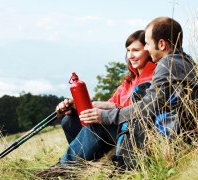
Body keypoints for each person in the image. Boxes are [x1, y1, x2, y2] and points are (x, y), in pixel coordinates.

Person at [77, 17, 198, 169]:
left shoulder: (167, 65)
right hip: (181, 134)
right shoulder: (186, 61)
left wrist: (105, 116)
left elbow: (147, 108)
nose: (146, 49)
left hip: (168, 138)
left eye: (147, 43)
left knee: (98, 126)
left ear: (161, 44)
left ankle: (61, 169)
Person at [56, 29, 156, 165]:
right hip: (115, 124)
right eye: (128, 50)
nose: (130, 55)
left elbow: (139, 110)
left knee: (98, 125)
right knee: (69, 120)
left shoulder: (152, 77)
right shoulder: (129, 80)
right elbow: (111, 103)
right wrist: (78, 106)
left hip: (131, 131)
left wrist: (106, 112)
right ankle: (85, 164)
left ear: (148, 50)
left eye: (136, 50)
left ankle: (62, 167)